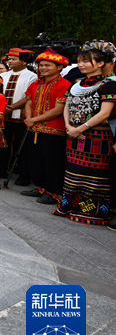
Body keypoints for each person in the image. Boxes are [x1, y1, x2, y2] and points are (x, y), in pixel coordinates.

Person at [55, 45, 116, 226]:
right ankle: (69, 206)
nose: (81, 65)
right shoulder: (77, 83)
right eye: (79, 61)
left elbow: (105, 113)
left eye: (86, 61)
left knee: (94, 174)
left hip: (97, 136)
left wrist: (81, 128)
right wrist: (69, 127)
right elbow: (67, 106)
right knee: (73, 172)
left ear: (100, 63)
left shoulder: (108, 84)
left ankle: (92, 211)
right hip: (73, 134)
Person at [21, 48, 70, 205]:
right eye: (41, 65)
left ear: (59, 67)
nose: (43, 68)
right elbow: (29, 102)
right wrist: (29, 119)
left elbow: (58, 109)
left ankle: (54, 192)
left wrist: (34, 119)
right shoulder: (36, 83)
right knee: (35, 159)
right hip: (33, 127)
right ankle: (41, 187)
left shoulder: (64, 84)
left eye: (47, 65)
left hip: (54, 130)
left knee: (53, 162)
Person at [0, 48, 38, 185]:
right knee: (3, 144)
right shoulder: (3, 75)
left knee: (22, 147)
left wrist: (12, 107)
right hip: (3, 115)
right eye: (9, 59)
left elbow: (30, 96)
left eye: (14, 59)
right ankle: (2, 170)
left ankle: (24, 175)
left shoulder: (31, 76)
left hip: (21, 116)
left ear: (24, 61)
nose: (10, 61)